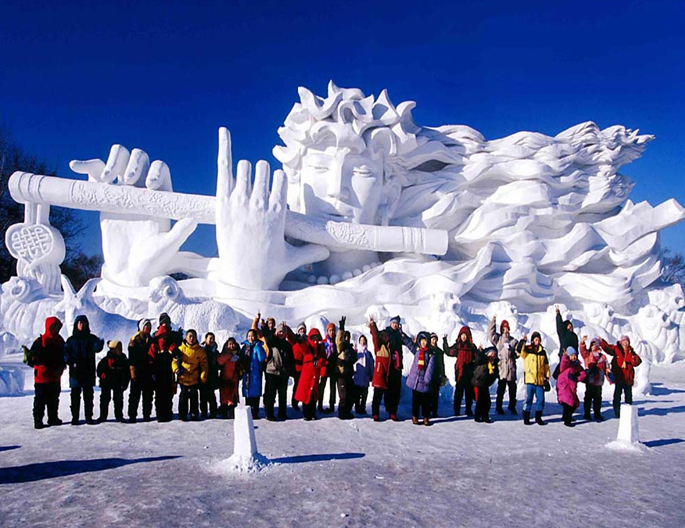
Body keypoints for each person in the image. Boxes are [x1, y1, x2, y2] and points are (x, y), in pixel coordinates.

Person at [64, 315, 104, 425]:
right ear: (76, 325)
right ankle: (75, 417)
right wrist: (71, 362)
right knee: (75, 397)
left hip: (88, 372)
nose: (82, 325)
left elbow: (97, 348)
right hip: (75, 373)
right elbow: (65, 353)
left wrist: (100, 343)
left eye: (84, 323)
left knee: (88, 397)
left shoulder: (91, 338)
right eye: (80, 323)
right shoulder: (71, 340)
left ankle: (88, 417)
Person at [28, 316, 66, 429]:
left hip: (55, 377)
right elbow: (30, 359)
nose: (55, 329)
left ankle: (53, 418)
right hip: (42, 377)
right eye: (53, 326)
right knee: (40, 399)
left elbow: (64, 355)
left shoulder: (60, 340)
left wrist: (63, 365)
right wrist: (36, 360)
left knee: (54, 399)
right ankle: (38, 420)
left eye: (57, 327)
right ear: (48, 327)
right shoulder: (40, 341)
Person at [148, 312, 182, 422]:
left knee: (167, 392)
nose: (165, 325)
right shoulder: (158, 337)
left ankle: (165, 413)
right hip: (160, 367)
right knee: (161, 393)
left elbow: (172, 346)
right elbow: (152, 354)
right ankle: (162, 413)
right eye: (164, 323)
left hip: (167, 367)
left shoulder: (164, 336)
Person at [368, 316, 402, 421]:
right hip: (381, 372)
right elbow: (375, 337)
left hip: (391, 371)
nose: (387, 338)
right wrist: (373, 326)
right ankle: (375, 413)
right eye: (393, 323)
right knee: (378, 394)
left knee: (392, 394)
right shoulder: (379, 347)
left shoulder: (394, 343)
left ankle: (392, 412)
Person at [600, 335, 642, 418]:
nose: (626, 343)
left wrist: (631, 357)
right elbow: (608, 348)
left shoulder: (631, 352)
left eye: (627, 341)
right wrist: (602, 342)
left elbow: (637, 362)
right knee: (617, 394)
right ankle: (617, 410)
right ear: (621, 342)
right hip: (619, 376)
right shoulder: (616, 349)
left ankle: (628, 410)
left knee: (628, 395)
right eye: (624, 341)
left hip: (628, 378)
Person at [173, 329, 209, 421]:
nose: (191, 338)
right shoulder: (181, 349)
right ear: (186, 337)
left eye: (193, 336)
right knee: (183, 396)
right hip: (183, 377)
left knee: (194, 396)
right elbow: (174, 361)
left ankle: (194, 413)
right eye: (190, 336)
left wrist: (203, 373)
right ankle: (182, 414)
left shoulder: (200, 350)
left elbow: (204, 364)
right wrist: (176, 369)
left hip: (194, 377)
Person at [517, 331, 550, 426]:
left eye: (539, 340)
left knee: (540, 400)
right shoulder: (527, 350)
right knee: (528, 399)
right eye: (536, 339)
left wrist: (547, 377)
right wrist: (523, 341)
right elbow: (519, 351)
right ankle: (526, 416)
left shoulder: (543, 352)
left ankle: (538, 417)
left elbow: (546, 366)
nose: (537, 341)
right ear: (532, 341)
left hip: (540, 381)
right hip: (530, 380)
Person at [263, 323, 295, 421]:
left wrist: (290, 370)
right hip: (272, 371)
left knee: (283, 394)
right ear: (277, 332)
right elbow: (267, 338)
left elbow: (291, 359)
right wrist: (265, 327)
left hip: (283, 372)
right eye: (280, 332)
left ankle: (282, 413)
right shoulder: (272, 341)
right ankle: (269, 413)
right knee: (271, 394)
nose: (281, 334)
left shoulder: (287, 345)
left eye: (283, 332)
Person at [489, 315, 519, 415]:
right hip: (502, 368)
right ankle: (498, 407)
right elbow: (491, 335)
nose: (506, 329)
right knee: (501, 390)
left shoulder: (513, 340)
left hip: (511, 368)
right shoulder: (498, 339)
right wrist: (493, 322)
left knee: (512, 390)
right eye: (504, 327)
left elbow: (519, 351)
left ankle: (512, 406)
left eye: (507, 327)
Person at [404, 331, 436, 426]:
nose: (423, 343)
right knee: (415, 401)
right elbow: (409, 344)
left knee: (425, 401)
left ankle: (426, 417)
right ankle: (415, 416)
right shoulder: (417, 350)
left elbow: (430, 368)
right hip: (415, 380)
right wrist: (403, 334)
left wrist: (427, 379)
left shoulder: (431, 353)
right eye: (422, 341)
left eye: (425, 341)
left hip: (424, 381)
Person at [444, 326, 477, 416]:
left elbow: (477, 358)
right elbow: (448, 352)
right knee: (458, 393)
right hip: (460, 373)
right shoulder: (458, 346)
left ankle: (468, 409)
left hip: (469, 374)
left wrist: (480, 352)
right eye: (462, 335)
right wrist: (444, 342)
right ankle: (457, 410)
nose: (464, 337)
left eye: (465, 335)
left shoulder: (472, 347)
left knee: (469, 393)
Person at [294, 328, 326, 421]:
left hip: (315, 374)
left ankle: (312, 412)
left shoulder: (320, 347)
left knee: (314, 395)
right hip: (307, 374)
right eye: (313, 338)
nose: (315, 340)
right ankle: (306, 413)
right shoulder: (307, 346)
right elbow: (302, 346)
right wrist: (300, 340)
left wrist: (319, 363)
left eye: (317, 338)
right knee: (306, 395)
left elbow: (324, 358)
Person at [96, 340, 130, 423]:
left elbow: (127, 372)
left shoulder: (123, 359)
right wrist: (102, 375)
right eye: (118, 348)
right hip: (106, 383)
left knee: (118, 399)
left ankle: (119, 416)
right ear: (113, 349)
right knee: (104, 399)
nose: (120, 350)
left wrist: (125, 383)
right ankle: (103, 416)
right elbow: (99, 370)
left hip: (118, 383)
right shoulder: (106, 360)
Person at [127, 318, 154, 423]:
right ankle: (132, 415)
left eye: (149, 326)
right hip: (137, 372)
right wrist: (133, 374)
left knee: (148, 395)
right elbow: (132, 359)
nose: (148, 328)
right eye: (146, 326)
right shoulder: (135, 339)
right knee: (135, 395)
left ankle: (147, 414)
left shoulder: (151, 339)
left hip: (148, 371)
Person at [579, 336, 609, 421]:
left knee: (598, 398)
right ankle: (587, 414)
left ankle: (597, 413)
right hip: (590, 380)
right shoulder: (587, 354)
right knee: (588, 397)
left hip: (599, 381)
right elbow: (582, 351)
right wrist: (582, 343)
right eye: (592, 344)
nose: (594, 346)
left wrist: (609, 374)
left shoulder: (602, 357)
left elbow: (607, 367)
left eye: (595, 344)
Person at [555, 346, 587, 427]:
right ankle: (567, 420)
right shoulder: (566, 364)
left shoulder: (577, 365)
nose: (574, 357)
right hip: (564, 387)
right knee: (569, 404)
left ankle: (566, 417)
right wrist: (565, 356)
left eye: (575, 355)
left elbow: (583, 374)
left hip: (571, 388)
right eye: (572, 355)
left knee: (573, 404)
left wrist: (577, 378)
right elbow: (564, 361)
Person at [240, 329, 267, 419]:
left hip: (255, 374)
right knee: (247, 394)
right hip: (247, 374)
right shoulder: (244, 347)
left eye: (252, 336)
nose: (250, 338)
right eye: (249, 336)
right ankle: (248, 412)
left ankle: (255, 412)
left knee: (255, 394)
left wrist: (258, 346)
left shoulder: (258, 346)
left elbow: (261, 358)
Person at [335, 317, 356, 420]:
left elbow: (354, 359)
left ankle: (347, 411)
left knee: (351, 394)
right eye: (345, 337)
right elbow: (338, 340)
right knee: (343, 396)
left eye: (348, 337)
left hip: (349, 374)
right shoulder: (341, 347)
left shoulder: (351, 349)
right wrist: (341, 328)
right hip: (341, 374)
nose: (347, 338)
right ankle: (342, 412)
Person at [471, 347, 499, 423]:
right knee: (480, 401)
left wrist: (495, 367)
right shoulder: (483, 360)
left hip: (485, 384)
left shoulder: (493, 364)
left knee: (487, 402)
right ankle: (478, 416)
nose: (493, 356)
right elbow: (479, 358)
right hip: (478, 383)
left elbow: (494, 375)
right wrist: (481, 352)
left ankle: (484, 415)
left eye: (494, 354)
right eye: (491, 354)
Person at [216, 337, 242, 419]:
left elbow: (241, 365)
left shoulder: (238, 354)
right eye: (230, 344)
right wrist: (230, 356)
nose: (231, 346)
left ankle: (232, 410)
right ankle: (223, 410)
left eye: (233, 344)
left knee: (233, 396)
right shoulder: (224, 354)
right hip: (224, 378)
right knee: (224, 396)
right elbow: (219, 361)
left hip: (234, 378)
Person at [286, 322, 307, 411]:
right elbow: (289, 335)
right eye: (300, 329)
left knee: (304, 386)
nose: (302, 331)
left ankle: (303, 402)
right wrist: (286, 327)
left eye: (303, 329)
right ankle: (295, 402)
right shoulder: (295, 339)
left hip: (305, 367)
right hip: (296, 367)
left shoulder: (307, 339)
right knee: (297, 385)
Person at [319, 322, 338, 413]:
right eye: (330, 330)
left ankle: (331, 405)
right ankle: (319, 404)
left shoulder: (336, 343)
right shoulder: (323, 342)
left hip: (333, 367)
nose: (332, 332)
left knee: (332, 387)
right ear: (327, 331)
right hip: (324, 367)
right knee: (321, 386)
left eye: (333, 330)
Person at [353, 334, 374, 414]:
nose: (363, 342)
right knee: (357, 394)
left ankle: (362, 407)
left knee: (364, 394)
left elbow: (371, 364)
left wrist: (371, 374)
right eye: (361, 340)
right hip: (357, 376)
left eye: (364, 340)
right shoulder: (356, 352)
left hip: (365, 377)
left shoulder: (369, 353)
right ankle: (357, 407)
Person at [200, 332, 219, 419]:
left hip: (212, 376)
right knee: (203, 396)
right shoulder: (201, 350)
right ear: (205, 339)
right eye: (210, 338)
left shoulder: (216, 352)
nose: (211, 340)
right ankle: (203, 412)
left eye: (213, 339)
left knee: (211, 395)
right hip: (203, 376)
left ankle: (213, 412)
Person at [428, 333, 446, 418]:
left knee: (435, 395)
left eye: (435, 339)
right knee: (428, 394)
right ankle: (427, 411)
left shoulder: (439, 352)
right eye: (432, 339)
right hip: (428, 375)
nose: (434, 341)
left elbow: (442, 364)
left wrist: (442, 375)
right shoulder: (427, 350)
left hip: (436, 375)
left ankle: (434, 411)